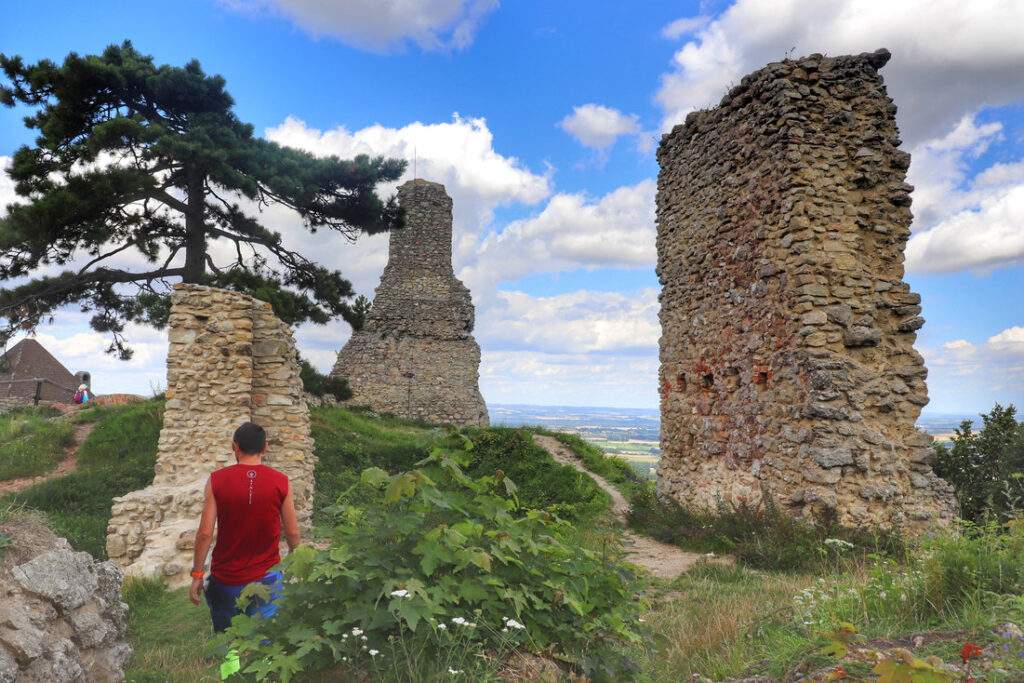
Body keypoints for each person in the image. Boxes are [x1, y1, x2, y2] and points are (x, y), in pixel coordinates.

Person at [189, 421, 301, 633]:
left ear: (235, 446)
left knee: (230, 638)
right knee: (267, 637)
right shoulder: (281, 481)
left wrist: (197, 575)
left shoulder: (216, 480)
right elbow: (293, 532)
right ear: (265, 447)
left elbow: (204, 533)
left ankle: (233, 655)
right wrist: (296, 560)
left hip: (226, 578)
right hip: (268, 576)